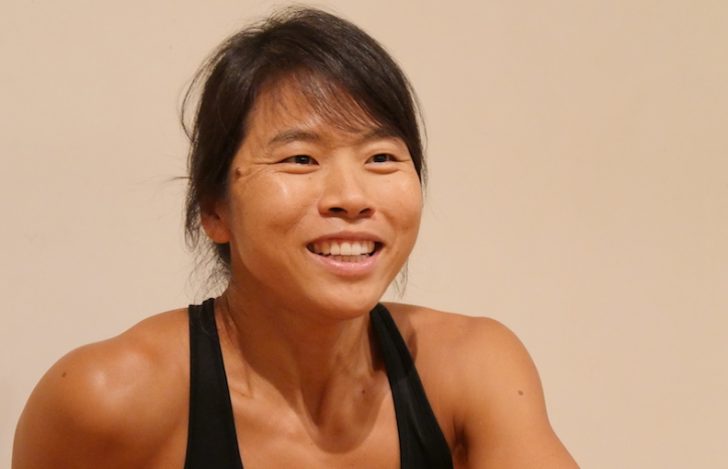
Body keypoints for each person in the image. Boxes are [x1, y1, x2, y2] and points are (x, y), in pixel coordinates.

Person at [13, 7, 578, 469]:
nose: (351, 196)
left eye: (382, 158)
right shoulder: (109, 400)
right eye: (300, 159)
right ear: (214, 210)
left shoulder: (472, 371)